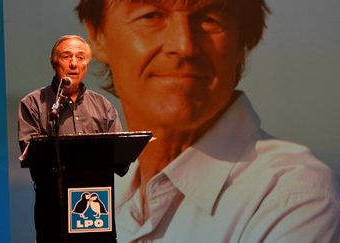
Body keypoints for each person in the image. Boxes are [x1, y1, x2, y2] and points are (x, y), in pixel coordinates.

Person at [75, 1, 340, 242]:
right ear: (97, 37)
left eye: (210, 18)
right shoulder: (95, 188)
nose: (184, 45)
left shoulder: (290, 198)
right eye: (151, 16)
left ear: (242, 40)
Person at [18, 35, 123, 242]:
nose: (74, 63)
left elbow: (120, 160)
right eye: (67, 56)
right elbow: (32, 155)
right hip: (53, 206)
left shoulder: (103, 106)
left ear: (87, 64)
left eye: (81, 57)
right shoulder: (33, 104)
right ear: (53, 62)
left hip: (98, 209)